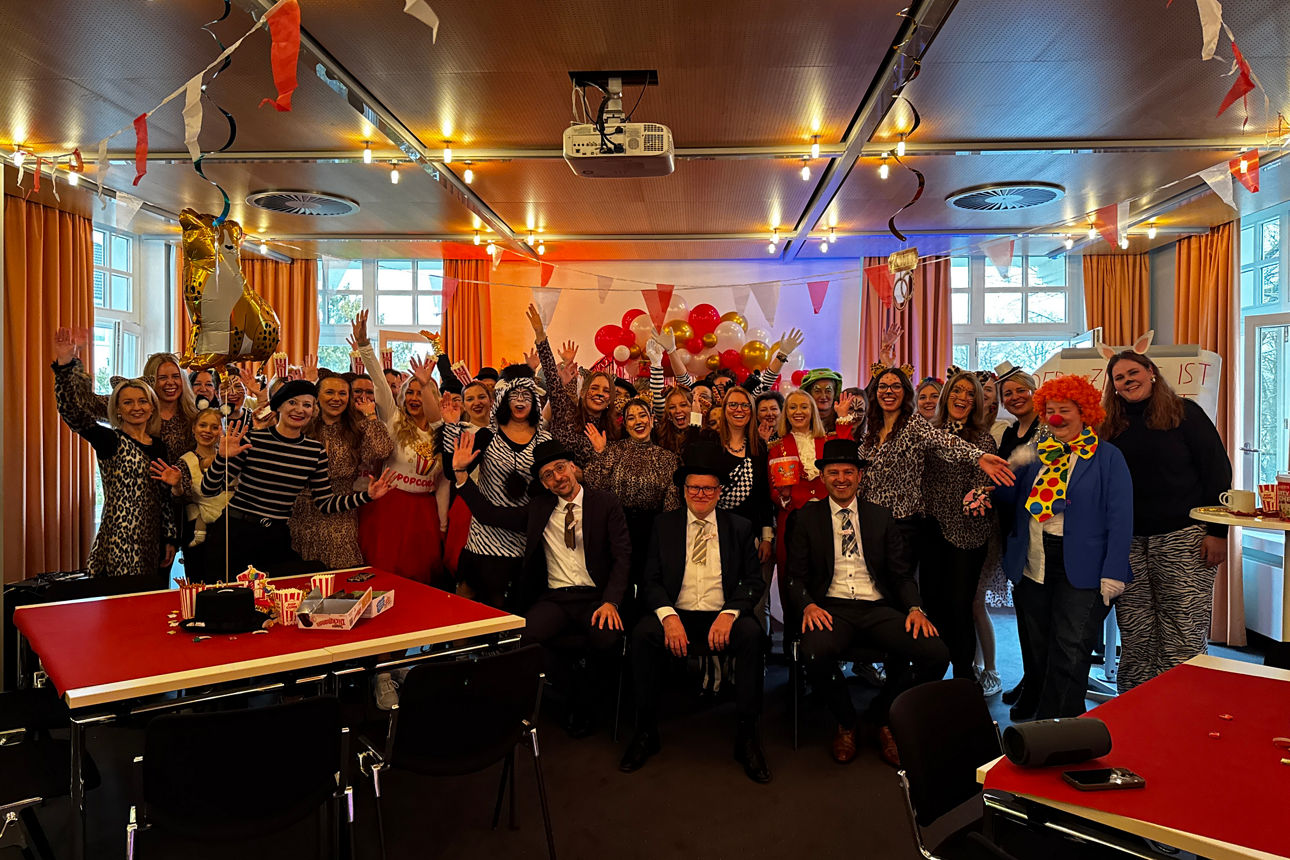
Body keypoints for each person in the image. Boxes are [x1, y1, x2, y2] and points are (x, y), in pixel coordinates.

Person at [786, 438, 949, 766]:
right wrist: (807, 605)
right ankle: (846, 722)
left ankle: (884, 716)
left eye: (849, 472)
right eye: (834, 472)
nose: (842, 479)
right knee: (813, 652)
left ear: (860, 476)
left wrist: (915, 608)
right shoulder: (807, 517)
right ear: (824, 477)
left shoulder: (880, 516)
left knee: (936, 653)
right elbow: (794, 576)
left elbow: (902, 574)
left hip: (877, 607)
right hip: (831, 608)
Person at [454, 436, 631, 736]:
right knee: (523, 639)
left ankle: (585, 701)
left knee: (607, 640)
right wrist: (460, 476)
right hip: (556, 599)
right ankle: (570, 691)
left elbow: (623, 556)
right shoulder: (539, 509)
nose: (557, 477)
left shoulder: (605, 504)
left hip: (596, 598)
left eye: (560, 468)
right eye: (547, 475)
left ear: (573, 467)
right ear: (544, 483)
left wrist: (611, 601)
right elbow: (489, 515)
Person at [620, 443, 770, 783]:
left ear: (719, 492)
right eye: (693, 488)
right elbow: (651, 579)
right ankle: (645, 731)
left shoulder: (740, 527)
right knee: (643, 634)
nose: (701, 494)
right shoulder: (664, 525)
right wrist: (668, 616)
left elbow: (751, 580)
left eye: (708, 488)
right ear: (684, 491)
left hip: (722, 613)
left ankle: (747, 735)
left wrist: (731, 612)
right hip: (678, 612)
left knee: (752, 635)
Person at [994, 375, 1132, 720]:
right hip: (1035, 559)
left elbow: (1121, 518)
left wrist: (1114, 571)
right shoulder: (1038, 454)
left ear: (1084, 412)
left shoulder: (1108, 457)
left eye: (1064, 410)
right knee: (1038, 645)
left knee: (1071, 648)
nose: (1056, 417)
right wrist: (1011, 469)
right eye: (1050, 410)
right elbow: (1011, 503)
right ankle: (1041, 718)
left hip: (1084, 565)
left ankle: (1060, 728)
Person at [1101, 349, 1231, 693]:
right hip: (1128, 543)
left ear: (1151, 372)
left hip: (1184, 538)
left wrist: (1219, 533)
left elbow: (1218, 472)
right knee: (1136, 630)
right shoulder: (1109, 426)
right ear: (1113, 386)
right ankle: (1134, 705)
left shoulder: (1185, 414)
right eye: (1119, 377)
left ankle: (1181, 704)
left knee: (1182, 630)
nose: (1128, 381)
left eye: (1133, 373)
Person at [200, 379, 395, 578]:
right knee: (226, 600)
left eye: (307, 405)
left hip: (275, 536)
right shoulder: (253, 441)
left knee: (272, 601)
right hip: (234, 531)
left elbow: (326, 503)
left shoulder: (314, 451)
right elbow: (209, 489)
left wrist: (367, 495)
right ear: (279, 407)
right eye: (293, 403)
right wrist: (221, 459)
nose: (299, 410)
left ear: (313, 411)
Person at [51, 328, 179, 589]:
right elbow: (73, 413)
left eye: (142, 401)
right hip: (119, 543)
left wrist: (170, 538)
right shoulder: (109, 440)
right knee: (122, 611)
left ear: (152, 406)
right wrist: (65, 366)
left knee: (150, 609)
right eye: (128, 403)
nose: (136, 408)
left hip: (153, 544)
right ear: (117, 410)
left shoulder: (159, 446)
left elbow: (164, 497)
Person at [858, 366, 1014, 542]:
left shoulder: (914, 425)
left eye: (896, 386)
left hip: (902, 524)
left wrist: (977, 456)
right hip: (871, 521)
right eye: (882, 386)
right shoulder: (871, 432)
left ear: (906, 393)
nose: (888, 391)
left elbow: (944, 441)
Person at [441, 366, 551, 608]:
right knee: (469, 605)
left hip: (524, 538)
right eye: (515, 395)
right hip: (483, 539)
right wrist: (451, 428)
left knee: (509, 608)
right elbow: (452, 471)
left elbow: (547, 493)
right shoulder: (486, 436)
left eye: (526, 395)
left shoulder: (545, 441)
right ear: (503, 399)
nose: (520, 401)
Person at [920, 371, 997, 686]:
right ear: (947, 395)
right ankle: (934, 673)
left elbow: (987, 485)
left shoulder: (982, 438)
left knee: (959, 606)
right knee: (933, 605)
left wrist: (979, 495)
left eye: (970, 394)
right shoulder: (928, 433)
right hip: (931, 530)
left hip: (968, 534)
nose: (963, 398)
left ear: (976, 402)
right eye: (957, 391)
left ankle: (964, 676)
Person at [584, 399, 680, 598]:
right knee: (620, 588)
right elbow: (594, 487)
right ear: (625, 425)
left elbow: (672, 505)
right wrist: (600, 453)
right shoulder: (614, 450)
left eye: (643, 415)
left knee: (649, 588)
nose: (638, 421)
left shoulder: (668, 458)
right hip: (617, 530)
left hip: (652, 532)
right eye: (631, 417)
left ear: (652, 420)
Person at [767, 390, 832, 646]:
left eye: (804, 406)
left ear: (812, 410)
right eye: (792, 407)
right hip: (792, 519)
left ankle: (825, 640)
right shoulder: (777, 445)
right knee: (791, 577)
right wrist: (790, 497)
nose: (798, 412)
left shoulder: (827, 442)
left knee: (825, 575)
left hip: (826, 520)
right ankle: (793, 644)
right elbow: (774, 490)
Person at [529, 305, 621, 467]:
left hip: (588, 490)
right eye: (594, 388)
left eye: (606, 391)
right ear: (584, 392)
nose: (599, 394)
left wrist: (599, 454)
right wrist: (540, 335)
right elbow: (552, 376)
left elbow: (609, 471)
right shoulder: (566, 410)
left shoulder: (612, 432)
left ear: (610, 399)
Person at [716, 386, 774, 630]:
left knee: (753, 602)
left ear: (751, 411)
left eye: (744, 405)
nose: (739, 410)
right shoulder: (711, 444)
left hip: (750, 538)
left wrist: (767, 537)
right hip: (716, 535)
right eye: (733, 405)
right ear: (724, 410)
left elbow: (763, 498)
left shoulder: (759, 449)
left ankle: (755, 655)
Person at [800, 368, 853, 437]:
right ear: (809, 394)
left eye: (828, 391)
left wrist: (842, 418)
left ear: (835, 394)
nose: (823, 396)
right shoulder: (801, 419)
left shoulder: (845, 419)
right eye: (817, 391)